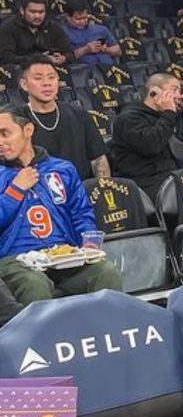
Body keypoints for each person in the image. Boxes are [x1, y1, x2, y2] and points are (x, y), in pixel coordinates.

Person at [0, 107, 122, 304]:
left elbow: (81, 213)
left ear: (28, 130)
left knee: (106, 272)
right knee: (34, 283)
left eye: (5, 133)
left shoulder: (62, 169)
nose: (0, 142)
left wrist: (89, 245)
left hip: (63, 256)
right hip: (13, 261)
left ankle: (107, 331)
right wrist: (15, 190)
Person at [16, 55, 110, 181]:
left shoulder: (79, 114)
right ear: (24, 84)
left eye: (51, 77)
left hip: (79, 191)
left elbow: (98, 159)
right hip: (37, 193)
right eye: (38, 78)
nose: (47, 83)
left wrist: (102, 189)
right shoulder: (16, 119)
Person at [110, 72, 183, 199]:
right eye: (174, 90)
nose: (178, 96)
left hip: (172, 176)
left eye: (180, 90)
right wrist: (168, 113)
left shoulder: (169, 115)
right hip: (144, 182)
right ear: (154, 92)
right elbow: (151, 145)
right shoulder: (129, 117)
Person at [0, 0, 71, 67]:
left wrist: (63, 58)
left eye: (41, 12)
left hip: (50, 69)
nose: (37, 16)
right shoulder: (8, 27)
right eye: (32, 12)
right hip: (20, 70)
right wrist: (37, 59)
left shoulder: (53, 26)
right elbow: (6, 57)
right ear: (22, 11)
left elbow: (70, 53)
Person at [61, 0, 121, 66]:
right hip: (84, 71)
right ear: (68, 17)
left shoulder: (101, 29)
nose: (83, 21)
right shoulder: (61, 32)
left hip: (108, 68)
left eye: (85, 18)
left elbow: (118, 51)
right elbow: (63, 58)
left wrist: (105, 49)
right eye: (78, 19)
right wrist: (85, 49)